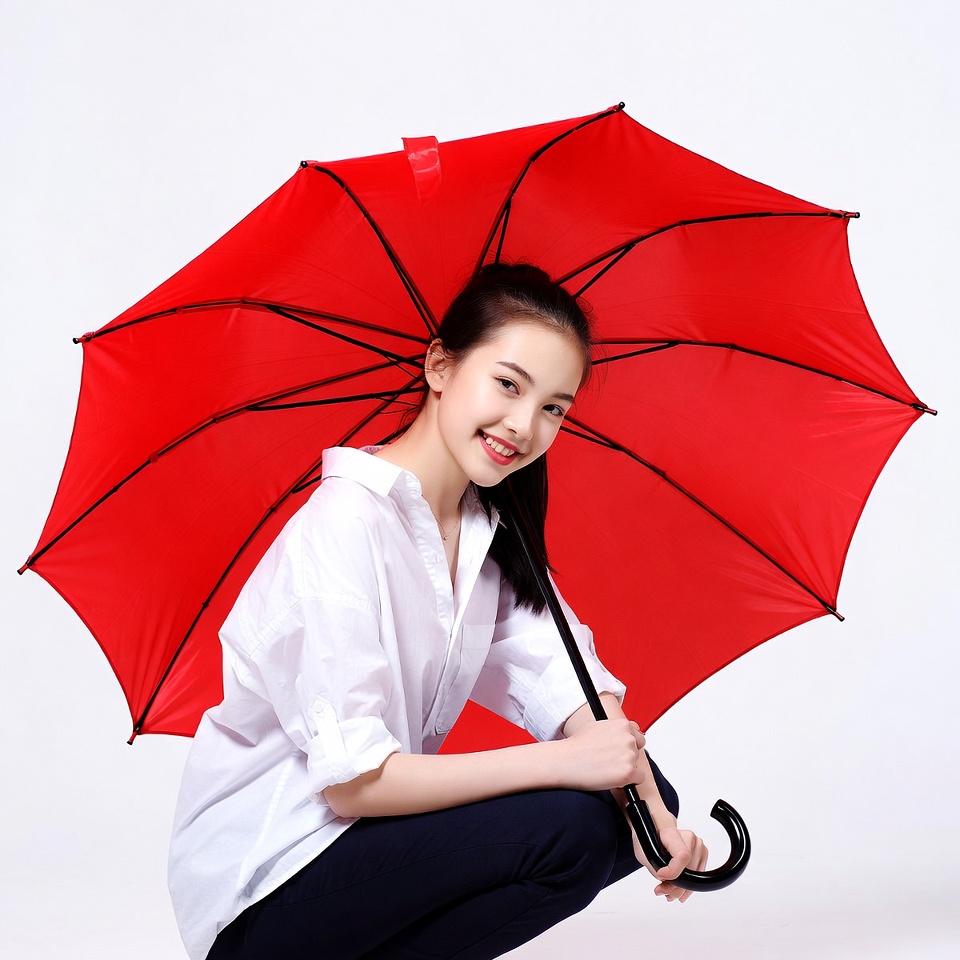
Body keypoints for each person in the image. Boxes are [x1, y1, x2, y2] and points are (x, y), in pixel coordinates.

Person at [168, 263, 708, 960]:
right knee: (571, 820)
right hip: (267, 890)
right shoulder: (347, 523)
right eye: (508, 385)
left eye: (553, 408)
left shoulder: (486, 531)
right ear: (440, 366)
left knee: (630, 790)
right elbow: (357, 787)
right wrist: (566, 762)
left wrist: (656, 817)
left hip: (362, 862)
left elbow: (570, 686)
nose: (524, 425)